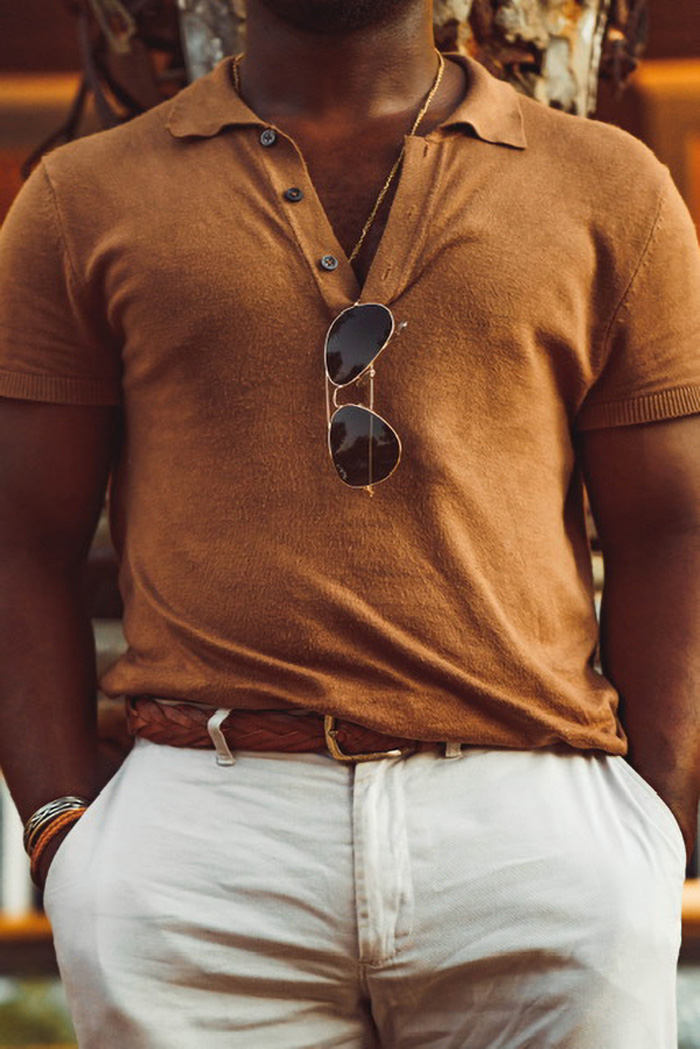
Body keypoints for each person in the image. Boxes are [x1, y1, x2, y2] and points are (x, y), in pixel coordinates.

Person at [1, 0, 700, 1045]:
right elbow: (19, 534)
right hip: (206, 831)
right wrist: (62, 827)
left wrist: (657, 822)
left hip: (532, 815)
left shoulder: (607, 181)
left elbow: (671, 527)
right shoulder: (85, 192)